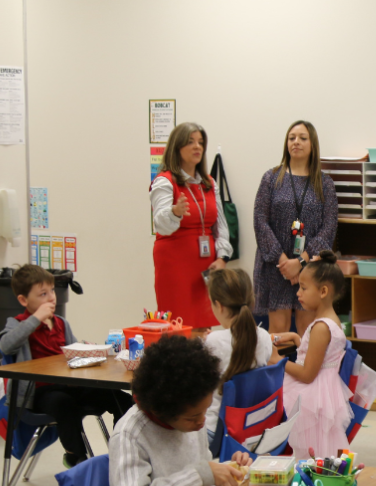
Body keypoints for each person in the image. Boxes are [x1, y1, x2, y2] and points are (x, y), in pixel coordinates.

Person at [0, 264, 130, 468]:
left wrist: (90, 351)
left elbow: (74, 354)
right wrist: (36, 318)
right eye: (42, 294)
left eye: (52, 291)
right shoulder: (18, 323)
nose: (51, 297)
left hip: (71, 385)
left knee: (119, 397)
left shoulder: (61, 323)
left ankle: (122, 449)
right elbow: (5, 345)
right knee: (63, 404)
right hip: (41, 392)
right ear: (24, 300)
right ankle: (76, 457)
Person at [109, 335, 252, 486]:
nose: (202, 422)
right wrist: (200, 475)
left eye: (205, 411)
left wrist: (226, 470)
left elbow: (199, 475)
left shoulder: (191, 416)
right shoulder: (130, 435)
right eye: (193, 417)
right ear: (162, 411)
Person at [253, 120, 338, 335]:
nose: (296, 142)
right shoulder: (271, 178)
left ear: (312, 144)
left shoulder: (324, 183)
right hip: (276, 267)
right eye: (292, 138)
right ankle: (280, 369)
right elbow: (260, 221)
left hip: (309, 267)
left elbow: (329, 227)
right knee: (279, 331)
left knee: (306, 329)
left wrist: (301, 262)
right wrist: (284, 262)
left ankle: (302, 369)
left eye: (302, 138)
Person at [150, 122, 232, 329]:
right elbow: (161, 224)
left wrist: (222, 258)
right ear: (177, 147)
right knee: (179, 325)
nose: (197, 147)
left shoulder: (209, 182)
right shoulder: (164, 181)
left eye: (201, 143)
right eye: (190, 142)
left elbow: (220, 225)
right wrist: (174, 212)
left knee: (204, 324)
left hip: (206, 265)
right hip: (175, 263)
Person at [281, 250, 352, 459]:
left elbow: (307, 374)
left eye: (303, 288)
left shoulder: (321, 327)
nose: (298, 293)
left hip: (313, 397)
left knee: (312, 451)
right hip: (324, 393)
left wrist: (278, 362)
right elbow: (321, 355)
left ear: (323, 291)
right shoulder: (332, 320)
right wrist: (296, 338)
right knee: (321, 447)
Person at [202, 268, 275, 440]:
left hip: (216, 431)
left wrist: (206, 343)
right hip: (252, 426)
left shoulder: (213, 341)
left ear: (219, 305)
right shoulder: (264, 337)